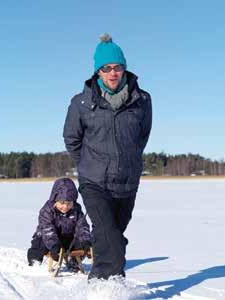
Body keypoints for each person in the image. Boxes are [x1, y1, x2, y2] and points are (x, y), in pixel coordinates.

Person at [63, 34, 152, 280]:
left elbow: (142, 136)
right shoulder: (81, 102)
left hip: (127, 182)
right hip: (94, 182)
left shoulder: (142, 100)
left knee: (113, 236)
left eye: (118, 67)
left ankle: (105, 285)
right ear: (98, 72)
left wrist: (129, 159)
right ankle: (106, 287)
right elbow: (72, 138)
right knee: (108, 235)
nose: (113, 73)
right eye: (107, 68)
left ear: (124, 68)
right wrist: (89, 163)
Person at [27, 177, 91, 270]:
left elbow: (82, 226)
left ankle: (73, 260)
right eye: (62, 202)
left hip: (67, 238)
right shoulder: (47, 210)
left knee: (81, 242)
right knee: (39, 243)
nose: (65, 206)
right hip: (46, 237)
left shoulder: (76, 210)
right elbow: (47, 229)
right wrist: (54, 245)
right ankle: (35, 260)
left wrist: (85, 240)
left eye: (69, 203)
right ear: (55, 199)